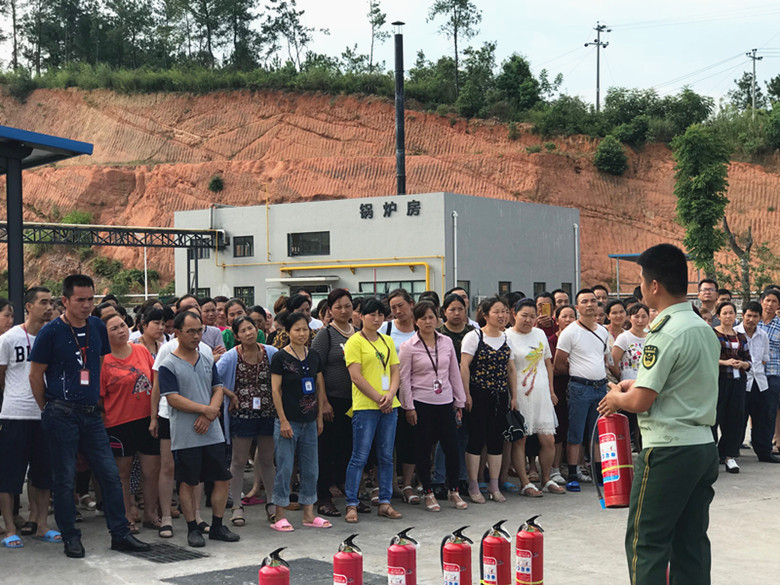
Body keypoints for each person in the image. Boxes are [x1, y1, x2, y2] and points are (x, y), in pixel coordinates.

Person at [598, 244, 720, 585]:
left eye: (641, 279)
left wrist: (617, 397)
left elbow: (640, 401)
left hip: (668, 449)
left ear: (654, 286)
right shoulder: (702, 328)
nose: (640, 286)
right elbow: (683, 382)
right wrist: (636, 385)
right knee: (691, 543)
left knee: (646, 541)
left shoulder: (663, 333)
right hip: (702, 446)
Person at [29, 274, 150, 558]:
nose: (86, 305)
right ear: (65, 300)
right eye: (80, 300)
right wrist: (47, 407)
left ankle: (120, 533)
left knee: (109, 474)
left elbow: (98, 361)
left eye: (90, 299)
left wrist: (93, 394)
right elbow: (35, 375)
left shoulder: (97, 326)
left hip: (91, 413)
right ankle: (70, 536)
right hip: (61, 411)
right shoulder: (51, 332)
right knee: (65, 478)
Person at [158, 310, 239, 548]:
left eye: (199, 331)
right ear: (177, 332)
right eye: (190, 331)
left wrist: (210, 413)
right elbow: (173, 398)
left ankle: (217, 525)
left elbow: (217, 387)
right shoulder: (168, 364)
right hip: (186, 433)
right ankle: (192, 527)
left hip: (212, 431)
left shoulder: (206, 358)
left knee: (221, 478)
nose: (196, 336)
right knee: (188, 481)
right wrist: (206, 410)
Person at [0, 287, 57, 548]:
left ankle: (42, 524)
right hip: (15, 414)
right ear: (29, 306)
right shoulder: (9, 338)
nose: (49, 307)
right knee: (9, 474)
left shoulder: (53, 336)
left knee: (43, 473)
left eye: (51, 302)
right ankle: (10, 528)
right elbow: (1, 375)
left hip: (44, 414)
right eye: (43, 302)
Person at [399, 301, 468, 512]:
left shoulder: (446, 342)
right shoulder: (409, 346)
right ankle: (428, 492)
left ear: (437, 318)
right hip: (421, 403)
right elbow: (404, 379)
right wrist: (409, 407)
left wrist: (459, 401)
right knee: (423, 450)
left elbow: (454, 372)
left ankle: (453, 490)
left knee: (452, 449)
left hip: (445, 401)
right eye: (423, 318)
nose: (428, 322)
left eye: (431, 317)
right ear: (415, 321)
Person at [343, 297, 402, 523]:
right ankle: (351, 503)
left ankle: (385, 502)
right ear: (360, 317)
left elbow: (395, 371)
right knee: (359, 456)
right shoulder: (354, 342)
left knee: (386, 457)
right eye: (372, 314)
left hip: (389, 406)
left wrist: (390, 395)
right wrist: (378, 398)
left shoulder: (387, 341)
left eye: (380, 315)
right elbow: (355, 376)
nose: (376, 319)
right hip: (366, 406)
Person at [100, 313, 160, 533]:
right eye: (114, 328)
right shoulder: (103, 360)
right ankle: (126, 515)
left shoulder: (141, 351)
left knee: (151, 471)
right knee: (122, 474)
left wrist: (154, 417)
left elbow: (155, 384)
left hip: (147, 420)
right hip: (118, 423)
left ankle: (151, 514)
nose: (121, 331)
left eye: (123, 325)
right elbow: (99, 398)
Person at [216, 316, 278, 527]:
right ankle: (236, 506)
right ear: (236, 335)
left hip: (267, 412)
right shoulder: (231, 356)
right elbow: (213, 378)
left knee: (267, 460)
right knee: (239, 460)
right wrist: (230, 394)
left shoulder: (271, 352)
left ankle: (272, 503)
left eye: (250, 328)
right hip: (241, 414)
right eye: (243, 331)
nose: (248, 333)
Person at [268, 311, 328, 531]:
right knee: (284, 468)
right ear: (288, 332)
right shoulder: (280, 358)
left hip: (310, 420)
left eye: (305, 329)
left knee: (311, 468)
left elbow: (319, 387)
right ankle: (279, 514)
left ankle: (309, 514)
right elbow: (275, 390)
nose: (302, 333)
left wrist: (319, 417)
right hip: (288, 420)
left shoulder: (314, 356)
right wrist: (283, 420)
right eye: (297, 329)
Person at [460, 296, 517, 504]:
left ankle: (494, 485)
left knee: (496, 440)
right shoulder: (474, 336)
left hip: (500, 395)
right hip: (478, 394)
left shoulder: (507, 337)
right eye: (497, 311)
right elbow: (464, 366)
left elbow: (511, 369)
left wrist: (514, 396)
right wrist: (466, 394)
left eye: (504, 311)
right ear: (485, 315)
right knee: (475, 439)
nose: (502, 316)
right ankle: (474, 484)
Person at [553, 289, 610, 492]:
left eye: (593, 301)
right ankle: (572, 474)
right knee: (575, 432)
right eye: (584, 301)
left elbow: (604, 358)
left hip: (600, 387)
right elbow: (558, 363)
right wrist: (578, 372)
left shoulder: (603, 331)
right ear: (577, 307)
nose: (589, 304)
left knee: (597, 432)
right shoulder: (570, 332)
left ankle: (598, 473)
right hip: (579, 387)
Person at [505, 299, 563, 496]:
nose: (528, 320)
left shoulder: (539, 334)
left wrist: (551, 391)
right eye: (524, 316)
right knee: (520, 439)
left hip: (541, 393)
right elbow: (510, 369)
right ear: (514, 314)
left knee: (548, 439)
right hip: (519, 394)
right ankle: (525, 483)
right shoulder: (507, 336)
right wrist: (513, 396)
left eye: (532, 316)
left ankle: (546, 479)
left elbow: (547, 364)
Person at [311, 289, 358, 518]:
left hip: (355, 402)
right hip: (332, 400)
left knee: (348, 449)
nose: (343, 311)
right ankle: (323, 497)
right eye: (338, 307)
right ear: (330, 310)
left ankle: (348, 493)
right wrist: (324, 402)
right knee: (327, 450)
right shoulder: (325, 335)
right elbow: (316, 369)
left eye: (347, 306)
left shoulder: (358, 334)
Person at [385, 289, 418, 505]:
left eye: (401, 306)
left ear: (411, 304)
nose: (397, 311)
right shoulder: (385, 329)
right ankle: (386, 484)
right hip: (389, 390)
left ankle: (407, 483)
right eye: (393, 308)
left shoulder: (421, 329)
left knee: (409, 439)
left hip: (416, 391)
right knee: (387, 440)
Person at [735, 301, 780, 463]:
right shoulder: (735, 333)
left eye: (755, 316)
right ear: (743, 315)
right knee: (738, 417)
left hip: (760, 382)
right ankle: (732, 451)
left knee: (763, 418)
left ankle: (764, 451)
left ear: (760, 318)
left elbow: (765, 359)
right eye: (748, 316)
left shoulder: (763, 335)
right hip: (741, 381)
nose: (751, 319)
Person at [711, 301, 751, 474]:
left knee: (735, 418)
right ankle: (712, 455)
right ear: (718, 316)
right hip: (719, 380)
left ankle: (729, 456)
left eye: (731, 313)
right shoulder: (712, 334)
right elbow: (707, 357)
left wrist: (742, 364)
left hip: (738, 381)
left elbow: (749, 361)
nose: (728, 316)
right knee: (715, 417)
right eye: (724, 313)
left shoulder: (741, 336)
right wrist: (724, 362)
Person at [548, 305, 577, 485]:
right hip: (558, 388)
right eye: (564, 316)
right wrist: (575, 367)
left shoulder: (579, 337)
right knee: (559, 429)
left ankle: (577, 467)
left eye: (571, 316)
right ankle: (555, 468)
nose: (568, 320)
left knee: (575, 428)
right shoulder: (551, 340)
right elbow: (553, 367)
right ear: (556, 319)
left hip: (576, 387)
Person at [757, 289, 780, 455]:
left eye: (774, 302)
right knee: (751, 409)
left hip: (773, 373)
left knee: (770, 410)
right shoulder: (753, 321)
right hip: (753, 372)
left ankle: (767, 444)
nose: (770, 304)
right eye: (768, 301)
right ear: (762, 302)